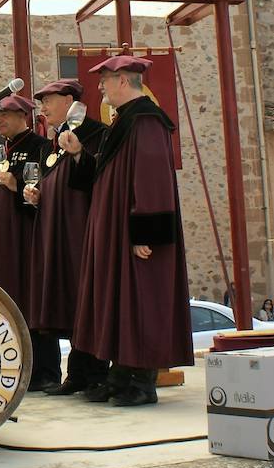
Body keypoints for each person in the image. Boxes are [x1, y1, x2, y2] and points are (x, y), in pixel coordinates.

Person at [65, 55, 192, 407]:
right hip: (117, 232)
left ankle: (141, 382)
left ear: (123, 80)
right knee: (120, 301)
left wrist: (145, 234)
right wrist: (79, 155)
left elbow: (151, 181)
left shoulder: (146, 121)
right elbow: (109, 176)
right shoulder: (125, 122)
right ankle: (120, 377)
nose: (100, 86)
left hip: (137, 235)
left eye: (105, 79)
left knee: (140, 301)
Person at [24, 79, 108, 396]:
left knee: (87, 300)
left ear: (70, 100)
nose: (43, 107)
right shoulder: (50, 144)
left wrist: (77, 154)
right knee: (70, 302)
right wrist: (37, 196)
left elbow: (97, 180)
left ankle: (97, 372)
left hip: (82, 232)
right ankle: (76, 373)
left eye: (49, 100)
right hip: (56, 233)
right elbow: (54, 184)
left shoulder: (97, 134)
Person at [0, 94, 56, 390]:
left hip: (26, 238)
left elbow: (45, 194)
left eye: (6, 115)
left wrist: (18, 186)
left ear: (23, 116)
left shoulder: (40, 147)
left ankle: (45, 372)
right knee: (4, 304)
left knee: (32, 301)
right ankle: (12, 371)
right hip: (0, 243)